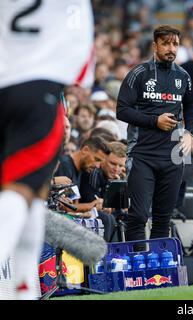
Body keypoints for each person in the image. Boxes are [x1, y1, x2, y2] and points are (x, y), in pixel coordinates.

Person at [0, 0, 94, 299]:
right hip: (37, 89)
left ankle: (24, 290)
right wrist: (79, 81)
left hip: (3, 80)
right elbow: (80, 35)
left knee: (34, 198)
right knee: (22, 190)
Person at [116, 25, 193, 250]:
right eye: (166, 43)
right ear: (155, 45)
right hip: (142, 155)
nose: (171, 49)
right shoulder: (139, 74)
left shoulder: (183, 76)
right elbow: (122, 110)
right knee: (139, 215)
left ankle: (159, 270)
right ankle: (137, 266)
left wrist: (190, 133)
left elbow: (191, 107)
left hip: (172, 157)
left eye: (175, 44)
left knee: (163, 218)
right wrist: (154, 121)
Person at [80, 141, 127, 242]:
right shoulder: (93, 172)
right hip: (86, 218)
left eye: (120, 165)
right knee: (108, 219)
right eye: (113, 163)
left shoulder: (119, 178)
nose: (116, 169)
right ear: (103, 159)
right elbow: (92, 202)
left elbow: (120, 209)